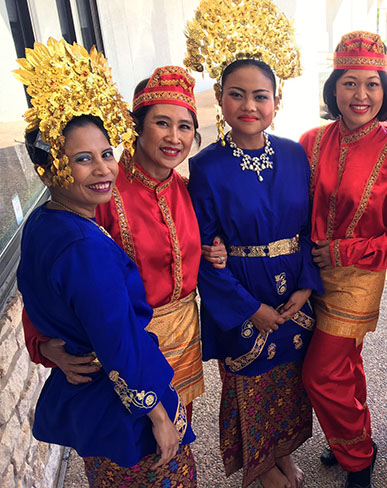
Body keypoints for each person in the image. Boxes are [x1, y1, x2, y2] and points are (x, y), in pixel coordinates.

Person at [15, 38, 196, 487]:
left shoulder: (45, 220)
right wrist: (155, 410)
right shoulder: (86, 239)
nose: (101, 169)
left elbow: (43, 289)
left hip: (135, 368)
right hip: (125, 385)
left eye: (104, 154)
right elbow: (116, 336)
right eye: (81, 160)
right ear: (52, 167)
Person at [21, 65, 221, 424]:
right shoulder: (100, 193)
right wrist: (43, 343)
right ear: (136, 127)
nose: (174, 137)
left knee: (179, 438)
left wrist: (212, 251)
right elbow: (51, 276)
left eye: (185, 126)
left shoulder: (186, 189)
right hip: (127, 346)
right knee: (137, 447)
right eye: (162, 123)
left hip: (185, 333)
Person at [184, 2, 321, 487]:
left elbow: (310, 230)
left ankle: (281, 454)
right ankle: (260, 467)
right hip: (243, 296)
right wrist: (248, 309)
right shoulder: (204, 167)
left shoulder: (295, 154)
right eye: (237, 95)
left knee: (288, 382)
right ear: (219, 98)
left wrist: (305, 287)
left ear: (276, 102)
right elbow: (202, 251)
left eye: (260, 96)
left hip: (294, 295)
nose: (249, 106)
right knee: (250, 386)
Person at [300, 31, 387, 488]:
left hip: (359, 276)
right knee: (345, 365)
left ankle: (358, 458)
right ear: (334, 87)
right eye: (350, 82)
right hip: (308, 271)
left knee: (320, 372)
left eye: (372, 84)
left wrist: (345, 250)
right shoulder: (311, 140)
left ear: (385, 91)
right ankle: (350, 437)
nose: (361, 95)